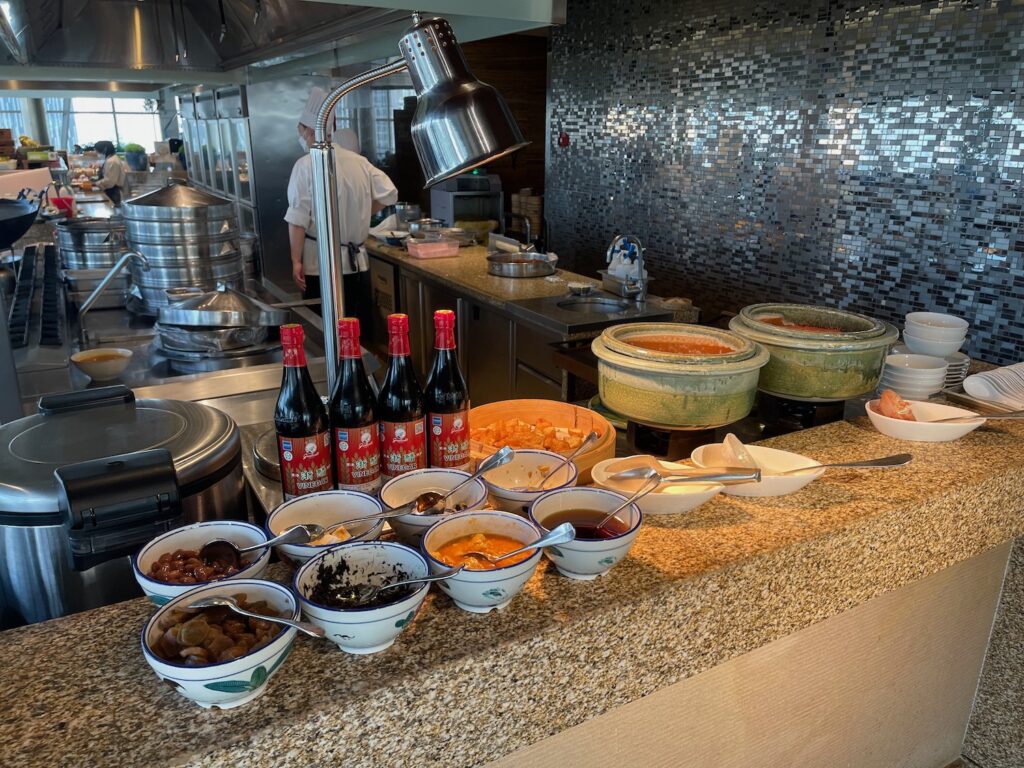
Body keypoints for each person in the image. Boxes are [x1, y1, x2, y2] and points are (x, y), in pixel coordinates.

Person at [284, 87, 398, 327]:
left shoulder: (305, 166)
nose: (301, 136)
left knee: (327, 333)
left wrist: (296, 261)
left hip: (320, 267)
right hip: (358, 265)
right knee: (358, 333)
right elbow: (390, 194)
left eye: (301, 131)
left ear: (309, 131)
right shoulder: (359, 162)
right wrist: (363, 212)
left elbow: (297, 220)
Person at [93, 140, 129, 205]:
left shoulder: (112, 161)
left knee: (114, 211)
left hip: (114, 192)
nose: (97, 153)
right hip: (112, 191)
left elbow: (110, 181)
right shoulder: (111, 159)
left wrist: (96, 184)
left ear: (105, 149)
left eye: (98, 150)